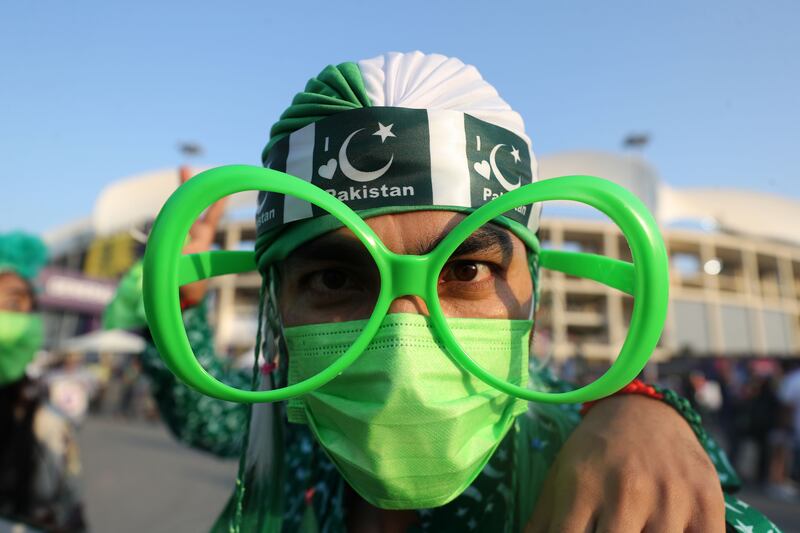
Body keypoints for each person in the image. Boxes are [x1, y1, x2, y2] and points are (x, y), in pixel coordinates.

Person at [128, 52, 782, 531]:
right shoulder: (295, 445)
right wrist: (184, 308)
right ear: (278, 303)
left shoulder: (604, 483)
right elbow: (208, 416)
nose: (404, 348)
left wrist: (642, 413)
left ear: (533, 287)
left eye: (464, 270)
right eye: (336, 278)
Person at [0, 231, 87, 532]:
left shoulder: (41, 412)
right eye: (12, 304)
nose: (24, 317)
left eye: (30, 307)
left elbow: (66, 502)